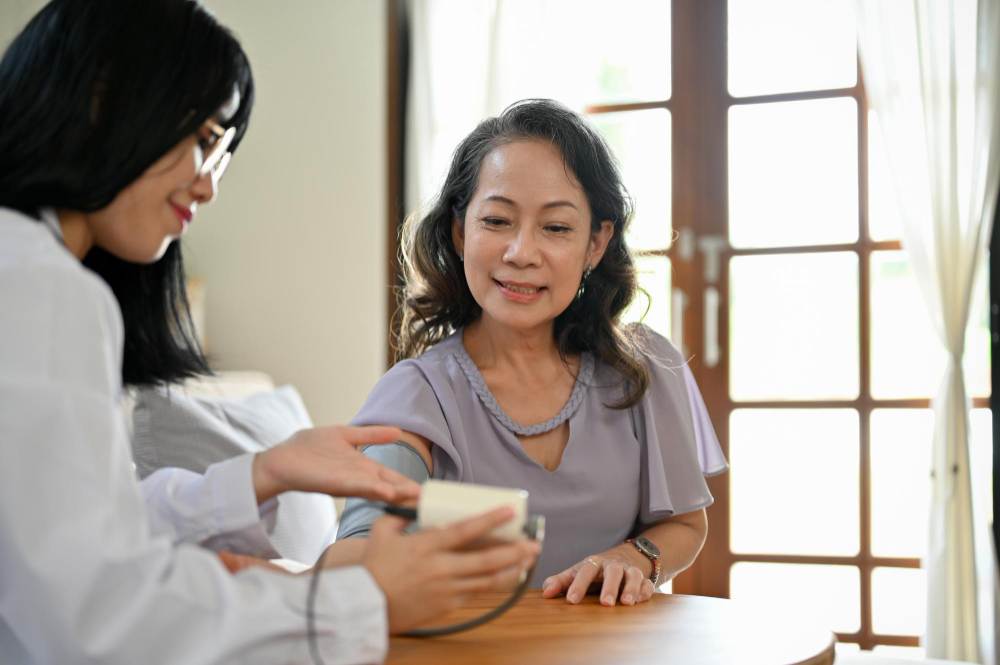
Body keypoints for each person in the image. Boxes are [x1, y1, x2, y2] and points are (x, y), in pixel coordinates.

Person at [0, 1, 538, 663]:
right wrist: (365, 597)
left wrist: (264, 470)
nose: (209, 185)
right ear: (102, 96)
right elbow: (96, 611)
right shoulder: (40, 285)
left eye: (222, 154)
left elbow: (60, 530)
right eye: (202, 139)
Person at [330, 99, 728, 608]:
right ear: (460, 231)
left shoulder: (646, 368)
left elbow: (684, 524)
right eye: (497, 220)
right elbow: (354, 554)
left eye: (557, 228)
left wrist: (634, 557)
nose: (521, 252)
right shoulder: (419, 393)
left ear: (596, 244)